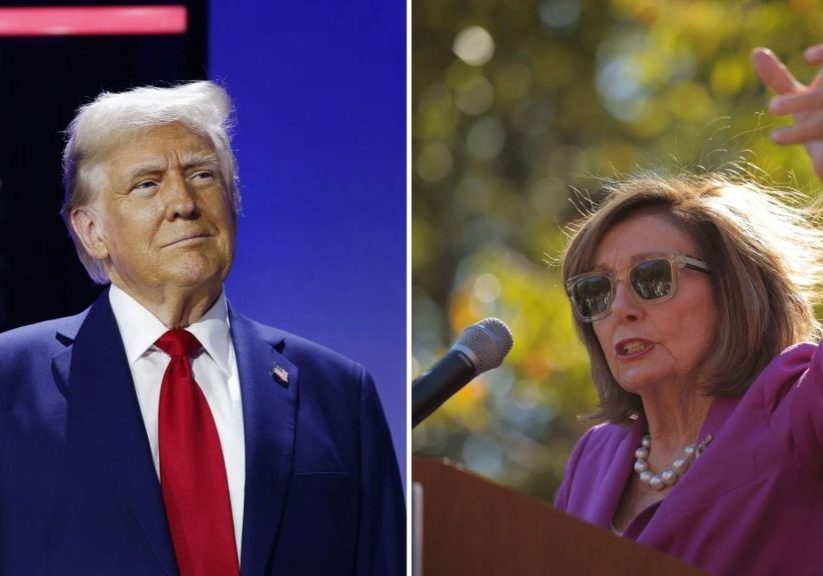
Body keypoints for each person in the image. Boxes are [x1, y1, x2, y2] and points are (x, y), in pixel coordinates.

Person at [0, 82, 404, 575]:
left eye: (203, 175)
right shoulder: (12, 381)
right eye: (148, 183)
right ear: (92, 230)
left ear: (235, 200)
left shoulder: (339, 394)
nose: (184, 202)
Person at [553, 43, 823, 575]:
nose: (621, 309)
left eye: (652, 278)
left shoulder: (794, 409)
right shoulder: (594, 457)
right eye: (596, 292)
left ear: (736, 291)